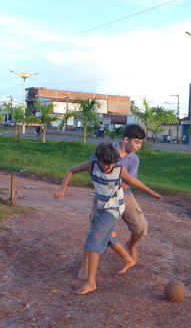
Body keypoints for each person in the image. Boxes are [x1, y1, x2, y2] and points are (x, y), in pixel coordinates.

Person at [55, 142, 162, 295]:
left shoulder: (119, 169)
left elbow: (133, 181)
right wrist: (62, 189)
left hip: (114, 208)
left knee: (94, 239)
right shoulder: (91, 166)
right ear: (98, 159)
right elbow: (71, 170)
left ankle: (91, 283)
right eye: (105, 164)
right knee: (107, 235)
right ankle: (128, 259)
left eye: (111, 164)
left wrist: (151, 192)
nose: (108, 167)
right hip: (101, 208)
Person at [88, 124, 149, 265]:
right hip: (103, 196)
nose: (139, 146)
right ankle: (85, 266)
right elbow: (92, 165)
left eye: (140, 143)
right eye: (137, 142)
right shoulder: (107, 150)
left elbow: (127, 184)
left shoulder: (134, 160)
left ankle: (131, 245)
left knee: (140, 228)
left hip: (124, 194)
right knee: (95, 231)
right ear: (126, 140)